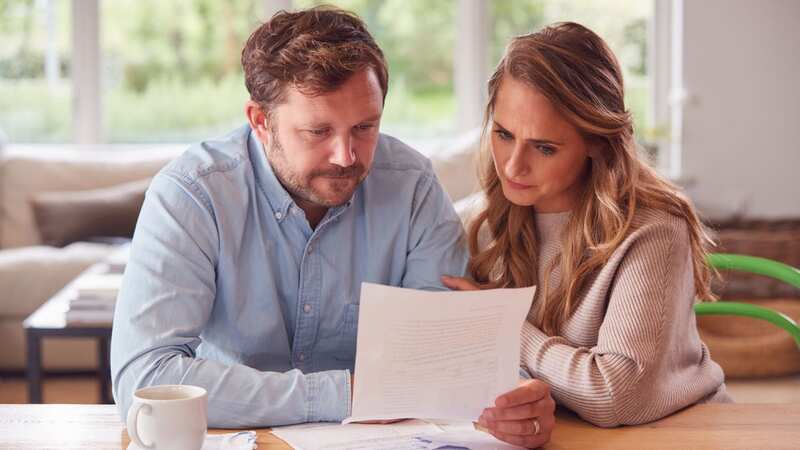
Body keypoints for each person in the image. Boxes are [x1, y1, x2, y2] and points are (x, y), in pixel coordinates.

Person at [110, 7, 472, 427]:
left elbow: (441, 359)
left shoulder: (413, 187)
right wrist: (346, 395)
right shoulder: (192, 195)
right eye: (319, 132)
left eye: (364, 127)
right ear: (261, 122)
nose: (347, 156)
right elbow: (146, 381)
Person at [442, 22, 731, 439]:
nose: (512, 166)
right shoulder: (479, 223)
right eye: (504, 135)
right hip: (564, 436)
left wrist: (501, 326)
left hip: (684, 436)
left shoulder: (655, 232)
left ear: (597, 141)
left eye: (544, 147)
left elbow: (616, 395)